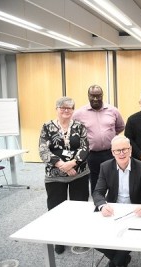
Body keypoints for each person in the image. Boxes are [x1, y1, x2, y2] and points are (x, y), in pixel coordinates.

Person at [93, 136, 141, 267]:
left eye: (124, 149)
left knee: (130, 238)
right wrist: (102, 206)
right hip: (113, 211)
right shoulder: (105, 167)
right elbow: (98, 192)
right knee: (93, 239)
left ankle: (115, 263)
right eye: (117, 150)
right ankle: (121, 260)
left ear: (130, 150)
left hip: (134, 213)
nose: (121, 153)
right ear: (112, 152)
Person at [39, 97, 90, 255]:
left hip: (79, 174)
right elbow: (43, 150)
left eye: (69, 107)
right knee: (55, 209)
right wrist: (63, 166)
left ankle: (77, 236)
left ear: (73, 109)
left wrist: (72, 163)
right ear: (57, 109)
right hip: (55, 176)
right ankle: (59, 240)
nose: (66, 110)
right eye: (62, 107)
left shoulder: (79, 126)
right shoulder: (47, 127)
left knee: (79, 206)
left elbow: (85, 147)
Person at [73, 84, 125, 194]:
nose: (96, 99)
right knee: (95, 180)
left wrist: (109, 136)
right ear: (88, 96)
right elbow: (74, 132)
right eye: (92, 96)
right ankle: (98, 205)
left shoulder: (113, 110)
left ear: (102, 95)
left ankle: (113, 203)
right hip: (91, 154)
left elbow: (120, 126)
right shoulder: (79, 114)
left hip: (110, 152)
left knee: (113, 179)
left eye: (98, 96)